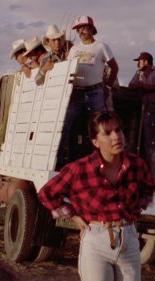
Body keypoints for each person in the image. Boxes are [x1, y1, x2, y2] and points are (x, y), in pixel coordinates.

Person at [38, 111, 155, 281]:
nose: (116, 136)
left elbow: (148, 188)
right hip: (96, 242)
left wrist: (133, 212)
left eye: (118, 130)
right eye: (107, 133)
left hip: (130, 243)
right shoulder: (80, 168)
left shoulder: (137, 165)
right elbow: (47, 193)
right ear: (95, 142)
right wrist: (74, 217)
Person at [56, 15, 119, 168]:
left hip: (95, 92)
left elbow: (114, 67)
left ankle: (101, 165)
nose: (81, 31)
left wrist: (108, 87)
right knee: (63, 127)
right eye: (78, 29)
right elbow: (67, 71)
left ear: (92, 28)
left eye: (84, 27)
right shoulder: (74, 49)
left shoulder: (101, 46)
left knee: (99, 128)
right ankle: (56, 164)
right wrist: (69, 90)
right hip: (75, 93)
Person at [128, 52, 155, 176]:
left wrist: (149, 88)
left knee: (152, 144)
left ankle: (153, 174)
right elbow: (130, 86)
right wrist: (143, 85)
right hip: (145, 110)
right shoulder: (138, 73)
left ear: (146, 62)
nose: (138, 64)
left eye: (140, 61)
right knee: (144, 143)